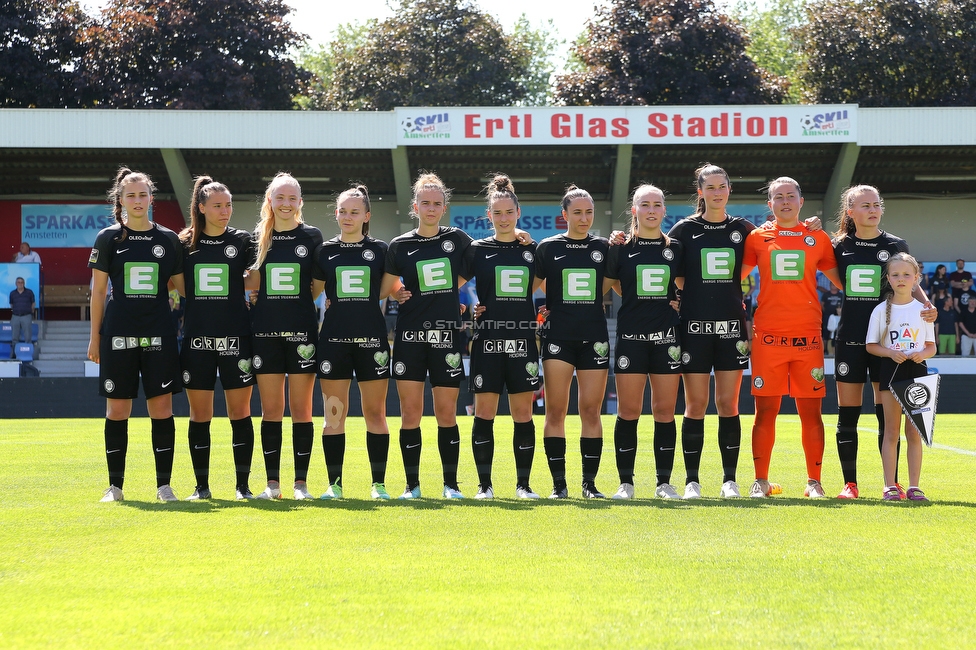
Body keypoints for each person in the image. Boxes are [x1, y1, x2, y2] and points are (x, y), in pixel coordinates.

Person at [88, 167, 184, 502]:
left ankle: (164, 486)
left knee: (162, 410)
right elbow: (98, 293)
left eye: (143, 194)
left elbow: (184, 287)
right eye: (131, 195)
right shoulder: (108, 238)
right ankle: (115, 487)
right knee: (117, 412)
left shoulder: (168, 239)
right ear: (120, 200)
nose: (138, 200)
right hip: (118, 335)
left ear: (151, 198)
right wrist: (94, 337)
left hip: (159, 334)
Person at [742, 177, 842, 498]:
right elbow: (732, 278)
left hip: (808, 339)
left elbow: (844, 281)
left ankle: (814, 482)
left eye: (790, 196)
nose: (785, 201)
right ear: (769, 205)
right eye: (778, 197)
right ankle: (761, 481)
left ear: (801, 201)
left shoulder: (818, 237)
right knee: (765, 411)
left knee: (811, 413)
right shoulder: (757, 238)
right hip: (768, 338)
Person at [832, 185, 934, 499]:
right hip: (851, 339)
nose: (872, 210)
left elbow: (912, 281)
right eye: (864, 206)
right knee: (848, 412)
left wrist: (928, 307)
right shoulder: (837, 246)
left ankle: (891, 483)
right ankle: (850, 484)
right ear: (850, 212)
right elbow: (834, 278)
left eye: (876, 204)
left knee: (886, 415)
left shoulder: (895, 244)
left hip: (887, 344)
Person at [383, 173, 474, 500]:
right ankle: (412, 486)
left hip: (447, 337)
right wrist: (395, 293)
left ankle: (451, 485)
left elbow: (485, 262)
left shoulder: (459, 239)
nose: (431, 208)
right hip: (409, 338)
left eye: (437, 203)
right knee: (410, 413)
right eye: (425, 202)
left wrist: (453, 292)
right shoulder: (400, 245)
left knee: (446, 413)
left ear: (444, 207)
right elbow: (385, 286)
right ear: (415, 206)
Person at [665, 164, 754, 499]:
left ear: (729, 189)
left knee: (728, 404)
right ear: (700, 192)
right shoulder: (684, 229)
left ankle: (729, 480)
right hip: (694, 328)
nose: (717, 192)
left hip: (732, 326)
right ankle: (692, 481)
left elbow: (778, 245)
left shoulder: (744, 229)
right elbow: (669, 269)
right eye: (710, 187)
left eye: (722, 186)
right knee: (696, 404)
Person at [312, 184, 400, 500]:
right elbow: (313, 293)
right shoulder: (323, 251)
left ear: (366, 216)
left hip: (371, 342)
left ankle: (378, 484)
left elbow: (388, 288)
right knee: (333, 415)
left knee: (375, 413)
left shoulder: (380, 250)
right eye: (343, 211)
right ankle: (334, 485)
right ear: (337, 214)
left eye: (354, 212)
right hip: (333, 343)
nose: (348, 217)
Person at [462, 175, 543, 499]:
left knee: (523, 414)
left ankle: (523, 486)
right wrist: (470, 310)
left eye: (509, 212)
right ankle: (485, 486)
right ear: (489, 216)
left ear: (518, 212)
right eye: (498, 213)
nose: (504, 217)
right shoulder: (477, 250)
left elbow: (551, 288)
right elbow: (448, 287)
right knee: (484, 413)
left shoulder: (532, 249)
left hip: (523, 342)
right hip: (487, 341)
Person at [178, 176, 257, 500]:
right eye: (218, 206)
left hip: (236, 339)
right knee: (201, 415)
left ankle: (242, 487)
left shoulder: (242, 241)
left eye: (228, 205)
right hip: (197, 342)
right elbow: (177, 286)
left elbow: (256, 280)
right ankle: (202, 488)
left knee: (240, 413)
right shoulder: (184, 244)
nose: (225, 211)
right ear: (201, 207)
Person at [604, 184, 683, 499]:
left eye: (657, 204)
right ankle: (626, 483)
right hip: (631, 339)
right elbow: (608, 287)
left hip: (666, 340)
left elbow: (686, 285)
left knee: (665, 411)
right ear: (634, 210)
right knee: (629, 410)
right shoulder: (620, 247)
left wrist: (676, 301)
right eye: (645, 204)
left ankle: (664, 483)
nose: (652, 210)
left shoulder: (676, 247)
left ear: (664, 210)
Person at [248, 173, 323, 500]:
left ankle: (301, 484)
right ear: (270, 201)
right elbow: (250, 283)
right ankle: (273, 484)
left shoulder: (312, 236)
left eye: (292, 198)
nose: (287, 204)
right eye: (280, 198)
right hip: (264, 333)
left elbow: (317, 284)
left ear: (300, 202)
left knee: (302, 409)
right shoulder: (256, 239)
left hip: (302, 333)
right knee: (272, 410)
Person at [536, 185, 612, 499]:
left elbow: (617, 286)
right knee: (555, 410)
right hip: (558, 338)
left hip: (594, 336)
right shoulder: (547, 247)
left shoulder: (605, 248)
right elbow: (528, 287)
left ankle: (589, 484)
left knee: (591, 411)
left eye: (589, 212)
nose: (584, 218)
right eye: (577, 212)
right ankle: (559, 485)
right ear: (564, 215)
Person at [865, 253, 936, 501]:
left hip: (917, 372)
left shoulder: (924, 311)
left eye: (907, 274)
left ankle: (914, 486)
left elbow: (931, 347)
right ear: (888, 279)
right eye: (895, 275)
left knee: (914, 432)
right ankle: (890, 486)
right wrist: (889, 353)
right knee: (891, 431)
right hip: (891, 371)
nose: (901, 279)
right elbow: (871, 345)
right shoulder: (880, 310)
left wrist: (921, 354)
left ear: (916, 278)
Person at [8, 277, 35, 358]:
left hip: (26, 316)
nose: (20, 284)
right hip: (15, 316)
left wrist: (31, 311)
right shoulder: (12, 293)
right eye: (19, 282)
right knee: (14, 336)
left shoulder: (29, 292)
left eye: (22, 282)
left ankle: (28, 353)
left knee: (28, 336)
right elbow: (11, 304)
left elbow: (33, 303)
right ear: (16, 284)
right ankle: (14, 354)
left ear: (24, 283)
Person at [934, 287, 957, 355]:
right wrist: (937, 336)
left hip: (952, 334)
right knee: (942, 353)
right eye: (950, 301)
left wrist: (957, 336)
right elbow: (937, 325)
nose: (952, 302)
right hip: (942, 334)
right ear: (946, 302)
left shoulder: (953, 312)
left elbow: (956, 324)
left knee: (952, 353)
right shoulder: (940, 312)